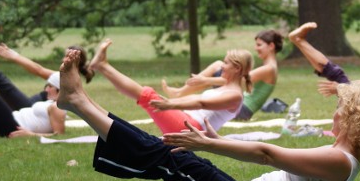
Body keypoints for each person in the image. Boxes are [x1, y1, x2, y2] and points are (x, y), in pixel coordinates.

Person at [57, 49, 360, 181]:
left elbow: (266, 154)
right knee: (171, 155)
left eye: (338, 109)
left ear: (351, 118)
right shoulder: (341, 157)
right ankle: (79, 102)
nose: (333, 115)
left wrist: (207, 145)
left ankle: (80, 102)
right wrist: (213, 140)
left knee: (171, 157)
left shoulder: (339, 161)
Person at [89, 38, 253, 134]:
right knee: (147, 96)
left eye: (226, 63)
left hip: (190, 129)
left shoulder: (235, 96)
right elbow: (219, 82)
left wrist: (170, 104)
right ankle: (102, 66)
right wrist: (204, 82)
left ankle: (102, 66)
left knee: (147, 95)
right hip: (186, 123)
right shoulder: (227, 85)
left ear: (237, 68)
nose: (221, 66)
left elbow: (201, 103)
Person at [161, 29, 284, 120]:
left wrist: (206, 80)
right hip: (240, 108)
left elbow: (235, 81)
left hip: (241, 110)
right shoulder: (270, 68)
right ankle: (178, 94)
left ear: (271, 46)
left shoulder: (269, 69)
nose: (256, 48)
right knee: (218, 65)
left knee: (217, 65)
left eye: (259, 45)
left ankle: (178, 93)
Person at [0, 42, 94, 104]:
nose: (63, 59)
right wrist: (12, 53)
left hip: (29, 106)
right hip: (31, 105)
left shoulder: (66, 78)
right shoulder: (68, 77)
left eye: (67, 56)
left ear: (77, 60)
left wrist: (13, 56)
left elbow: (38, 70)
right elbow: (38, 70)